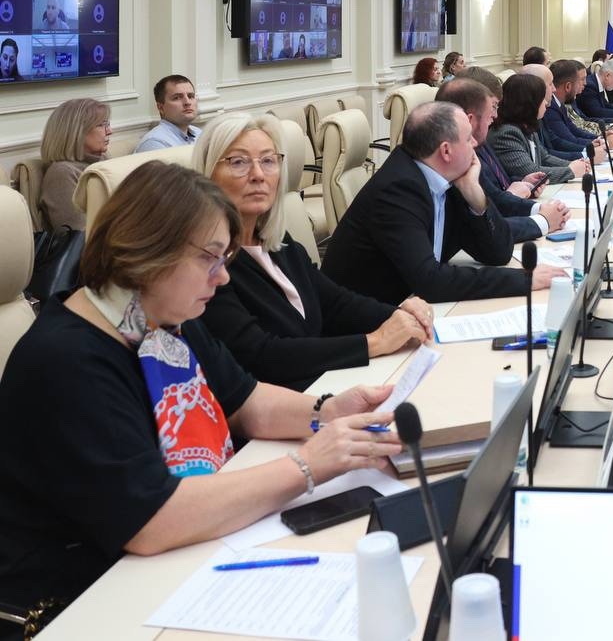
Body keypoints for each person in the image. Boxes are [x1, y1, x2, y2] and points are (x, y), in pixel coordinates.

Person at [0, 161, 404, 621]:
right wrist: (307, 466)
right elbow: (152, 520)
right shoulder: (67, 361)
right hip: (72, 602)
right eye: (209, 258)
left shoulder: (158, 318)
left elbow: (247, 400)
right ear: (147, 252)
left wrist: (327, 411)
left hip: (151, 565)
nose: (223, 277)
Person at [193, 113, 435, 391]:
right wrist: (375, 342)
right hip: (281, 406)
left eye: (268, 161)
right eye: (238, 162)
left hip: (326, 385)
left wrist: (401, 316)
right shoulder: (208, 264)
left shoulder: (277, 242)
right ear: (208, 175)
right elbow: (260, 355)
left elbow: (335, 303)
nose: (258, 175)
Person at [322, 101, 562, 304]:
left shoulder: (450, 177)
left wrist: (476, 198)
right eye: (468, 139)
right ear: (446, 151)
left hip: (415, 307)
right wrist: (524, 279)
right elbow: (431, 282)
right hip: (369, 323)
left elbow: (498, 252)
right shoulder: (398, 190)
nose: (475, 144)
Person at [436, 78, 570, 242]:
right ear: (469, 120)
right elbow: (485, 227)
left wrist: (523, 183)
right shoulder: (461, 159)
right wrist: (543, 219)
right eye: (493, 107)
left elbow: (495, 192)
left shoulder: (477, 145)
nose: (495, 115)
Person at [490, 73, 590, 185]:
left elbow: (544, 158)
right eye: (542, 99)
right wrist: (570, 171)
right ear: (529, 104)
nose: (546, 103)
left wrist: (574, 164)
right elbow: (531, 172)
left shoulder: (527, 127)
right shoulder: (506, 134)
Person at [39, 98, 111, 231]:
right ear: (77, 132)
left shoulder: (103, 159)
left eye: (108, 124)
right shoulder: (62, 173)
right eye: (101, 125)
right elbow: (78, 233)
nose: (110, 131)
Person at [135, 75, 201, 152]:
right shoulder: (155, 143)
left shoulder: (199, 133)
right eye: (177, 98)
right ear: (161, 108)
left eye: (190, 96)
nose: (187, 102)